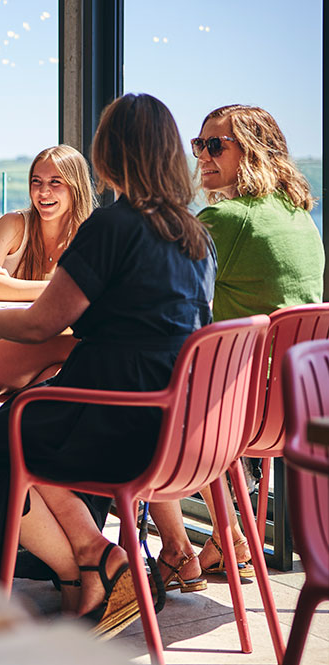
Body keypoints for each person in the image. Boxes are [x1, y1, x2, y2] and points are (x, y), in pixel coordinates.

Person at [0, 94, 216, 638]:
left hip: (107, 414)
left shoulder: (113, 226)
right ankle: (93, 564)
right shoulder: (195, 236)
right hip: (175, 425)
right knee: (19, 430)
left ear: (106, 153)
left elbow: (41, 324)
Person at [149, 104, 325, 591]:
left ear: (253, 153)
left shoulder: (227, 218)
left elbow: (154, 290)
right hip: (293, 406)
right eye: (198, 144)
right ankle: (230, 544)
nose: (202, 155)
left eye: (216, 145)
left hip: (236, 407)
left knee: (143, 391)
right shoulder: (301, 218)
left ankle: (176, 550)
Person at [0, 145, 93, 393]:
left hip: (39, 355)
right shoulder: (14, 224)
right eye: (36, 182)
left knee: (55, 384)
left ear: (75, 187)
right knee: (79, 345)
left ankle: (10, 430)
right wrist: (62, 289)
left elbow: (94, 295)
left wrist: (9, 286)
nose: (43, 191)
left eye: (55, 182)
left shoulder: (87, 236)